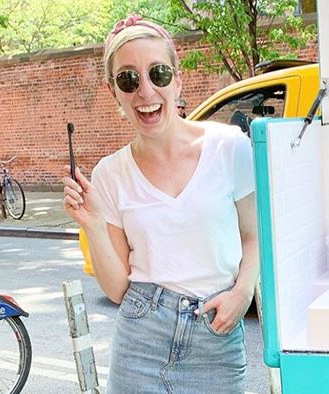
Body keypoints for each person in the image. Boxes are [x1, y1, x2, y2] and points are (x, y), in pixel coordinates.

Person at [61, 15, 258, 394]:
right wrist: (93, 225)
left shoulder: (230, 146)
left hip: (215, 336)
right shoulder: (109, 174)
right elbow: (117, 288)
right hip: (140, 337)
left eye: (158, 74)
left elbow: (254, 236)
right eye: (129, 80)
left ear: (178, 80)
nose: (145, 91)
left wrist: (243, 292)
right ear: (113, 91)